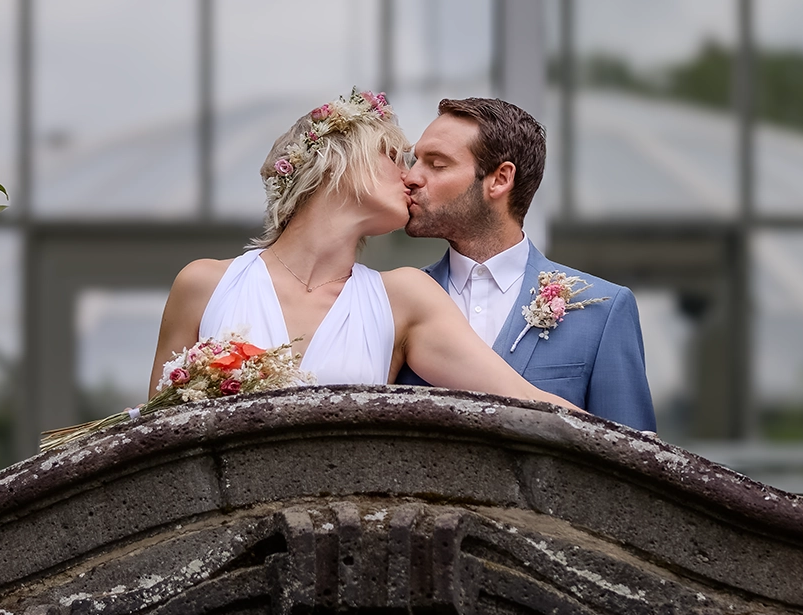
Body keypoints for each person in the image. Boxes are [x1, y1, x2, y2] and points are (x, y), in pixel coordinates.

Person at [147, 90, 575, 410]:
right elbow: (156, 437)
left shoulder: (406, 297)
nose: (410, 178)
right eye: (395, 158)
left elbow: (524, 399)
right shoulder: (203, 284)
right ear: (336, 162)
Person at [398, 98, 656, 431]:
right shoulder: (393, 305)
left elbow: (634, 467)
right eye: (414, 160)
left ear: (500, 179)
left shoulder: (603, 312)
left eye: (436, 164)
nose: (410, 177)